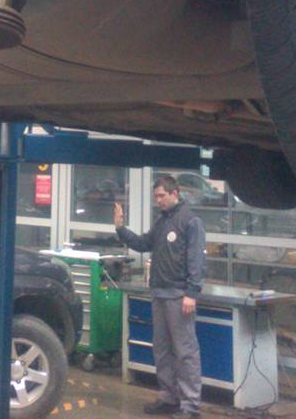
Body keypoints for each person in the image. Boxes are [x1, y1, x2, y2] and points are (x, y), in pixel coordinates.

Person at [114, 174, 206, 418]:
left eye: (162, 196)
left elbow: (196, 259)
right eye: (156, 197)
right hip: (160, 293)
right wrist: (121, 229)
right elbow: (143, 243)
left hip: (179, 296)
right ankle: (169, 397)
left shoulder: (190, 221)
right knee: (162, 349)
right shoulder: (162, 221)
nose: (158, 201)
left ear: (175, 193)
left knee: (185, 351)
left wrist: (191, 292)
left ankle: (190, 406)